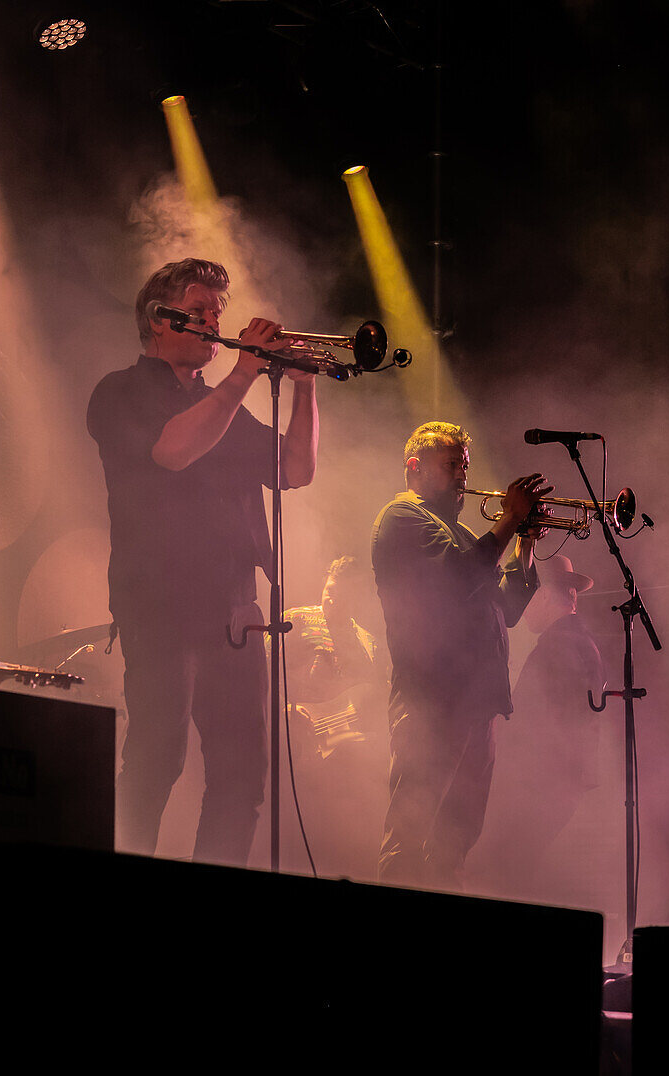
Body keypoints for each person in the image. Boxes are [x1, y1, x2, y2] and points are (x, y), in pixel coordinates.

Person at [87, 257, 318, 865]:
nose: (216, 320)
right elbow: (172, 452)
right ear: (160, 320)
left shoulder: (226, 404)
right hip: (161, 608)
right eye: (201, 309)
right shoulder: (119, 392)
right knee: (158, 759)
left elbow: (296, 470)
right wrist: (244, 370)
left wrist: (305, 384)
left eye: (219, 308)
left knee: (243, 777)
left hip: (236, 617)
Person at [370, 420, 551, 892]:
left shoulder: (462, 530)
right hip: (432, 702)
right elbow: (456, 580)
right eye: (452, 466)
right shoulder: (402, 518)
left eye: (465, 467)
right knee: (410, 837)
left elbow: (506, 610)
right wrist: (508, 521)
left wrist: (526, 542)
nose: (464, 478)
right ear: (415, 467)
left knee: (455, 840)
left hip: (475, 704)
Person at [471, 553, 606, 901]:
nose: (522, 606)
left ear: (545, 595)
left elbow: (532, 723)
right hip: (561, 785)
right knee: (514, 874)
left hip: (543, 785)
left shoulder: (559, 646)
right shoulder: (580, 642)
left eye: (528, 594)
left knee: (499, 876)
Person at [276, 557, 389, 880]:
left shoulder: (368, 641)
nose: (331, 599)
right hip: (294, 747)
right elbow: (259, 668)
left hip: (342, 766)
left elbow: (371, 699)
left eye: (341, 595)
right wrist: (283, 707)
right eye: (329, 591)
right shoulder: (296, 619)